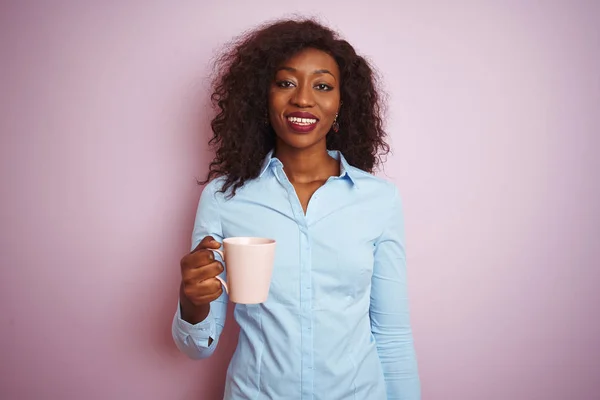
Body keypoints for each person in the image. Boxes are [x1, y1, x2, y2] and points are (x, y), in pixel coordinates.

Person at [172, 18, 421, 400]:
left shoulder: (379, 200)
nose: (303, 99)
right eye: (285, 82)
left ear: (342, 103)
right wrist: (191, 304)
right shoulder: (224, 197)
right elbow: (198, 346)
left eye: (322, 86)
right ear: (262, 96)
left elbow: (392, 335)